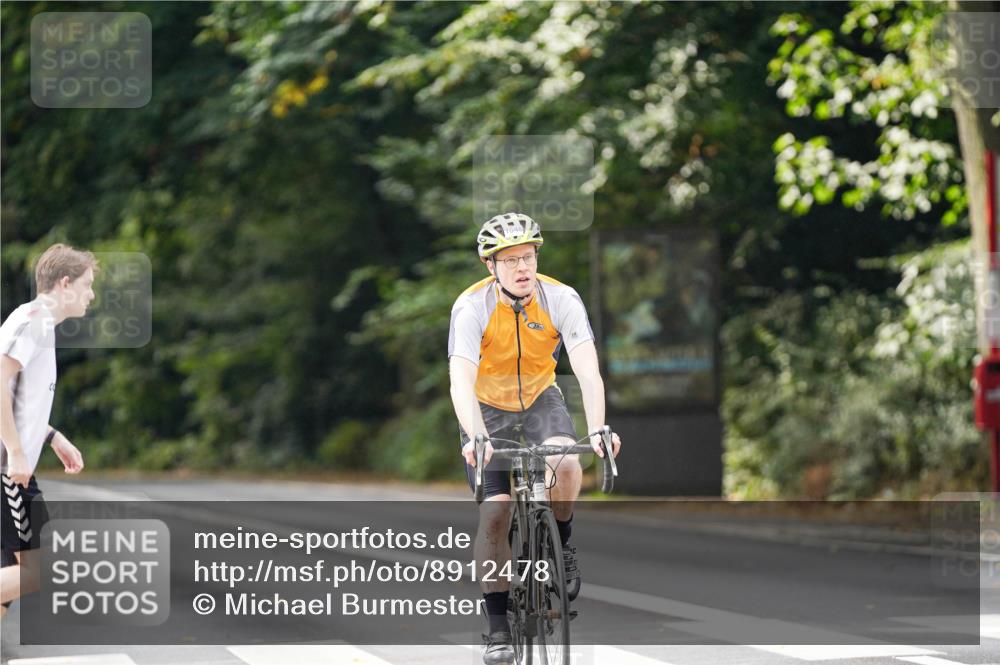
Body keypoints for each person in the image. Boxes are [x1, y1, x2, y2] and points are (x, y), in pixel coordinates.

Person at [448, 213, 622, 664]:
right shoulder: (472, 307)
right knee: (496, 514)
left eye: (528, 256)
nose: (522, 267)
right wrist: (476, 436)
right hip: (487, 407)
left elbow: (587, 369)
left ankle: (561, 543)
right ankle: (498, 627)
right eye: (510, 261)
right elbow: (459, 380)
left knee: (565, 464)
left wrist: (599, 426)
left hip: (542, 399)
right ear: (491, 266)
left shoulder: (561, 297)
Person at [0, 244, 94, 616]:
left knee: (10, 582)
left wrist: (52, 436)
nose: (91, 294)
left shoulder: (41, 326)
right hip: (9, 469)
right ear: (65, 283)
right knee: (35, 573)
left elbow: (16, 398)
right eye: (87, 284)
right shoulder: (34, 320)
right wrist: (17, 453)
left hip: (14, 466)